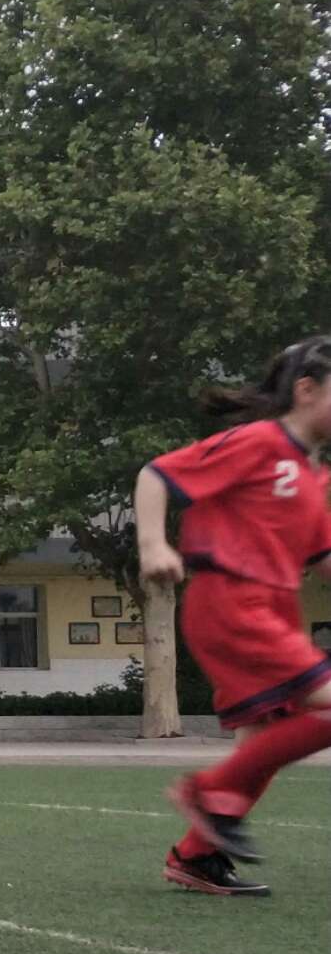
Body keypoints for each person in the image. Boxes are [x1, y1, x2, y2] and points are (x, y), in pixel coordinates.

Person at [141, 335, 331, 896]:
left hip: (270, 608)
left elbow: (324, 559)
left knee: (261, 745)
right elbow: (157, 474)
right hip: (233, 602)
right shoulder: (259, 442)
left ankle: (197, 856)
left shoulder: (312, 476)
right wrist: (154, 544)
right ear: (306, 390)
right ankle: (207, 791)